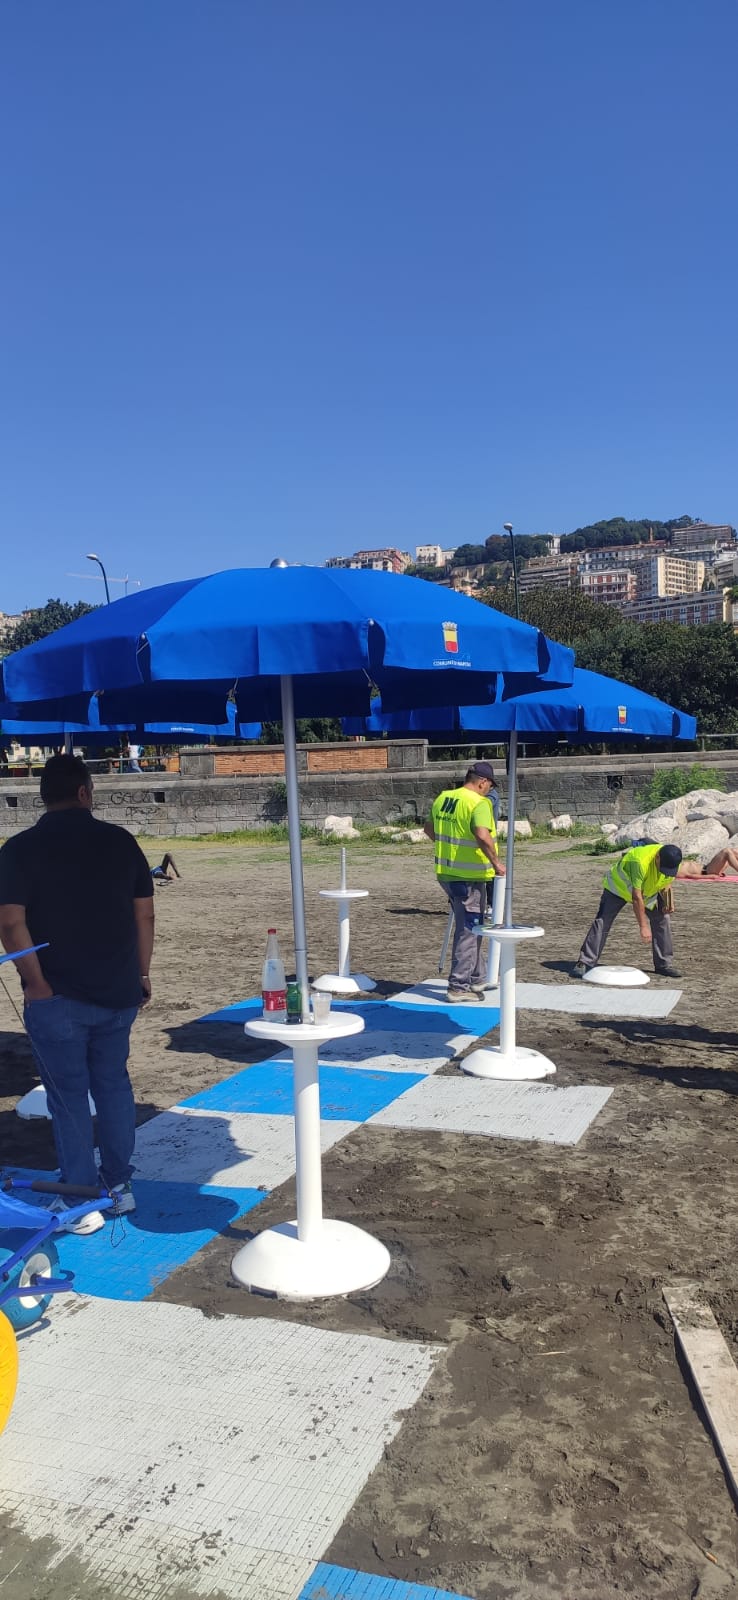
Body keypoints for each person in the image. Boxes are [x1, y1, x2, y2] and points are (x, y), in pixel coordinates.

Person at [0, 754, 155, 1234]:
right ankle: (119, 1185)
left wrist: (35, 981)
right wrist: (142, 973)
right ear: (85, 792)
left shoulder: (19, 849)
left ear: (43, 796)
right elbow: (145, 914)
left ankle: (80, 1197)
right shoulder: (121, 841)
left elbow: (10, 922)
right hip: (118, 990)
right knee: (113, 1086)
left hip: (56, 995)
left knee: (68, 1097)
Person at [424, 761, 506, 1002]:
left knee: (471, 924)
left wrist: (448, 845)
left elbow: (428, 829)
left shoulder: (443, 798)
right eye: (489, 786)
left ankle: (477, 977)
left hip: (446, 873)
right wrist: (497, 863)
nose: (489, 790)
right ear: (482, 782)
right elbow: (482, 835)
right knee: (469, 929)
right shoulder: (479, 803)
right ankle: (458, 986)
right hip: (469, 877)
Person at [573, 841, 683, 979]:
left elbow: (666, 881)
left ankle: (664, 965)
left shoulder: (674, 861)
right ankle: (585, 962)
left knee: (663, 919)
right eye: (663, 867)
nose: (665, 871)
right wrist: (643, 927)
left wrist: (668, 900)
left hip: (647, 891)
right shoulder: (639, 862)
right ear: (657, 857)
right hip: (618, 888)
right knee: (603, 920)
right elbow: (636, 897)